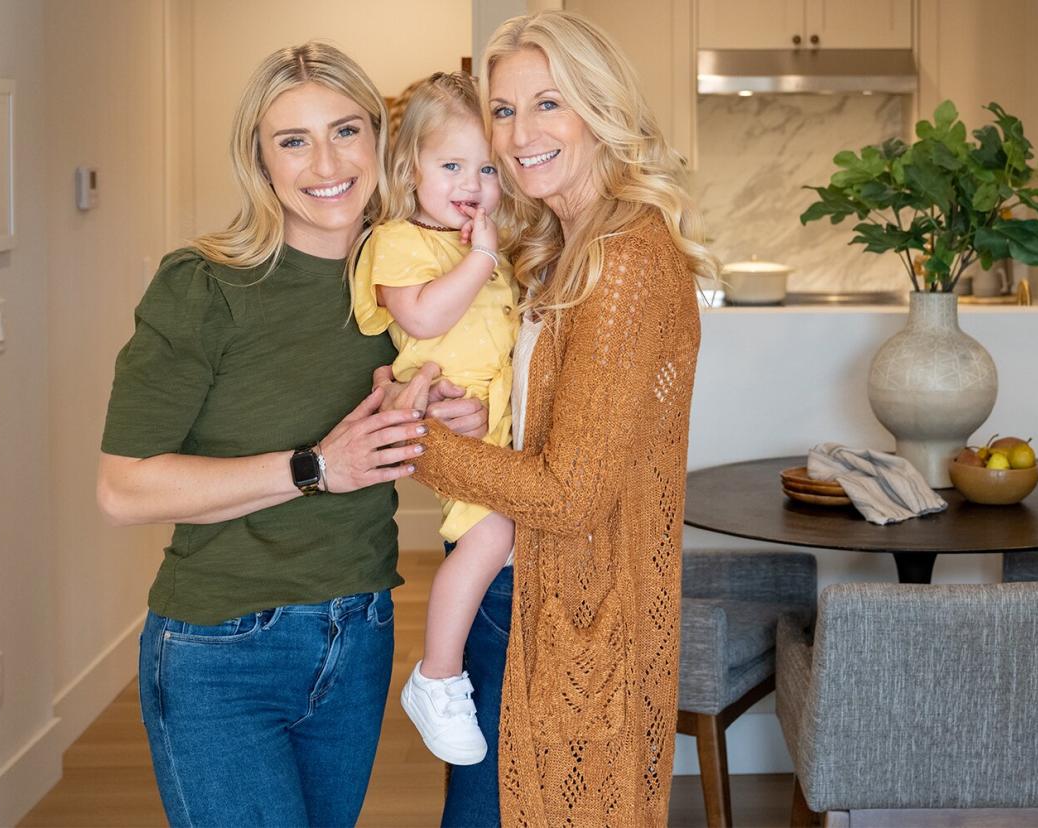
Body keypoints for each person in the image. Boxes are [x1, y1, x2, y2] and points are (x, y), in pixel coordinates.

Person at [95, 42, 484, 827]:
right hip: (223, 648)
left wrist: (458, 428)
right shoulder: (202, 285)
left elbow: (407, 449)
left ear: (381, 141)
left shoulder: (413, 282)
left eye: (346, 130)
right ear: (259, 159)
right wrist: (314, 467)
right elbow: (123, 488)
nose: (325, 163)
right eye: (293, 140)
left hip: (362, 632)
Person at [384, 11, 717, 826]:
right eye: (503, 109)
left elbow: (570, 495)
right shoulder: (566, 245)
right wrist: (468, 416)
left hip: (572, 614)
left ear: (599, 108)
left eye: (549, 103)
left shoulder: (626, 260)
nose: (520, 132)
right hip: (533, 597)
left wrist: (413, 441)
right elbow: (558, 433)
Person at [350, 71, 517, 767]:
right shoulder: (399, 240)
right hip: (445, 422)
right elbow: (422, 315)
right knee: (491, 534)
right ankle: (438, 674)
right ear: (408, 168)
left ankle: (446, 672)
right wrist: (482, 255)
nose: (470, 183)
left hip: (497, 418)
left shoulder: (478, 244)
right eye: (450, 165)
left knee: (506, 539)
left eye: (486, 167)